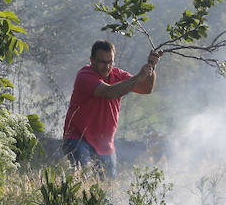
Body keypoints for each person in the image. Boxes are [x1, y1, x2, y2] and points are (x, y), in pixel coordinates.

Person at [62, 40, 161, 176]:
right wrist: (139, 76)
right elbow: (109, 92)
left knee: (107, 185)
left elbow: (146, 89)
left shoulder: (118, 75)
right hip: (78, 139)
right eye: (103, 62)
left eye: (110, 62)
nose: (107, 66)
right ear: (92, 60)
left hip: (105, 145)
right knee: (82, 178)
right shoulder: (84, 76)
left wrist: (151, 67)